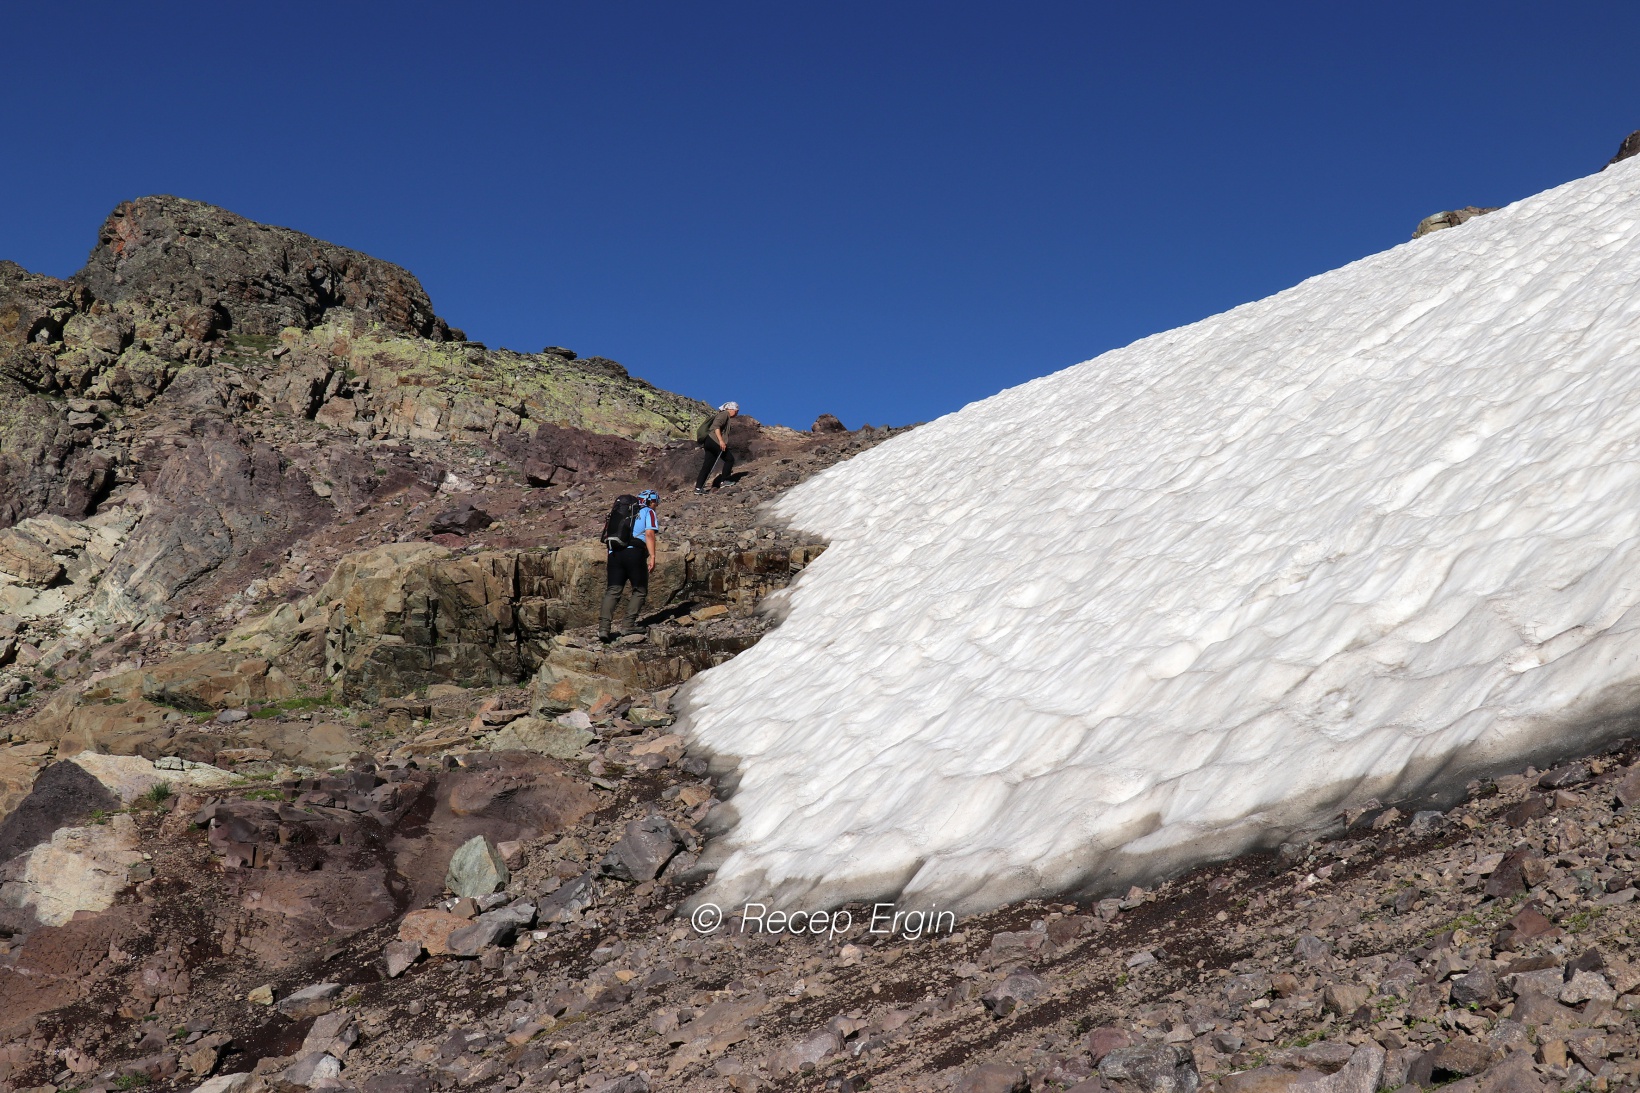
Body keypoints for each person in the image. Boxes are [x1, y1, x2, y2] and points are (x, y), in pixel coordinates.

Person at [600, 489, 658, 642]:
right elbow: (649, 534)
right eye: (655, 502)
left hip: (614, 552)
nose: (656, 505)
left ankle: (603, 629)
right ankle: (628, 625)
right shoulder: (648, 511)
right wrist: (652, 556)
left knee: (613, 591)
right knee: (640, 590)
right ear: (650, 501)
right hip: (634, 553)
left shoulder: (621, 512)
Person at [695, 401, 740, 493]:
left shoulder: (723, 415)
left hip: (708, 442)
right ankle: (724, 481)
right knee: (729, 459)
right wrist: (721, 441)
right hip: (714, 441)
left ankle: (698, 488)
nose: (737, 413)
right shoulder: (724, 414)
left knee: (707, 465)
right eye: (736, 410)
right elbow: (716, 426)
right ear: (731, 409)